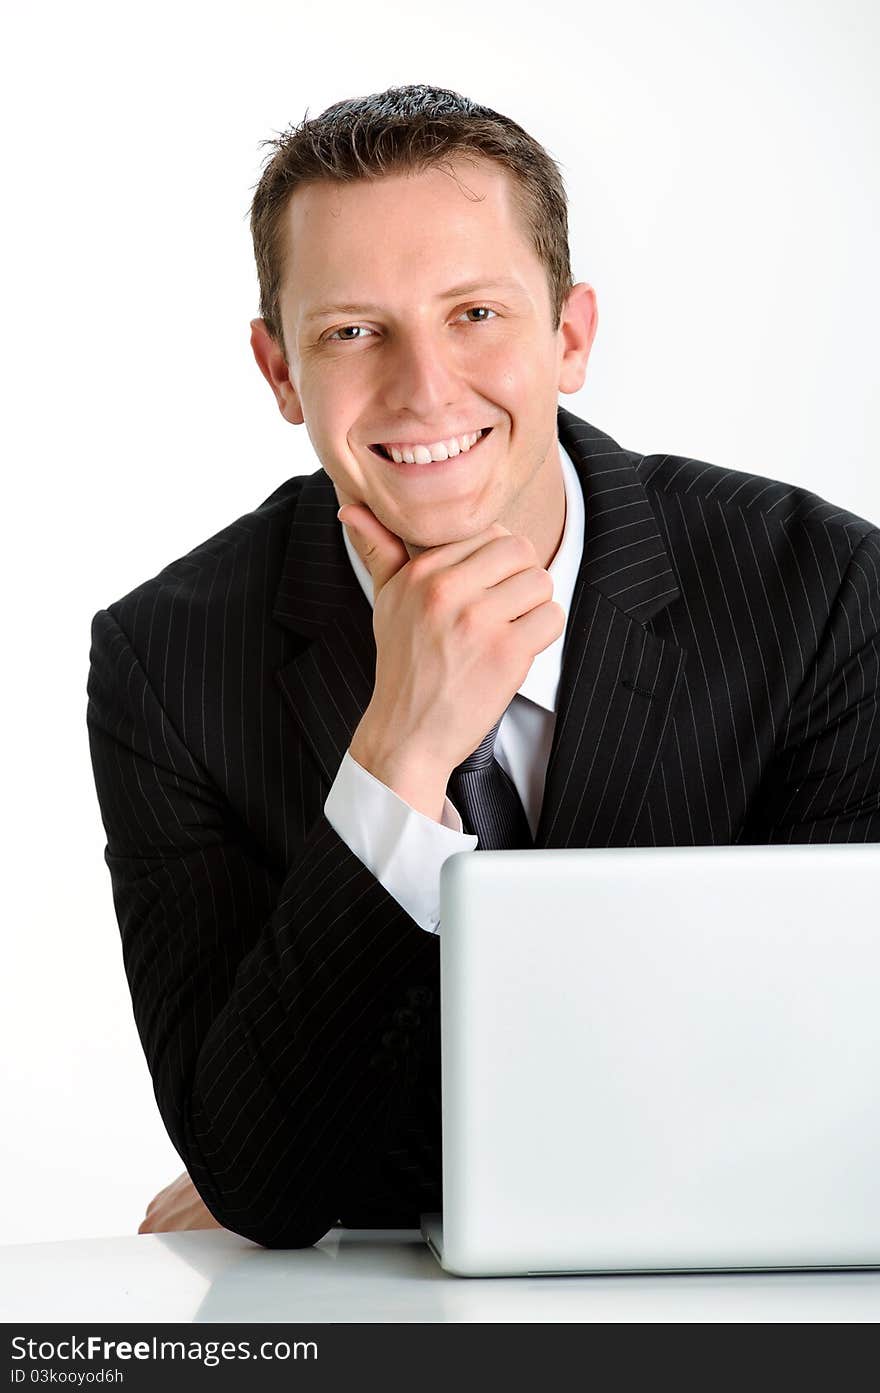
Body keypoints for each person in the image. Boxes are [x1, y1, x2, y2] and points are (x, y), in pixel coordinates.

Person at [86, 84, 880, 1247]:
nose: (424, 389)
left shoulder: (825, 596)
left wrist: (374, 1166)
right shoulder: (165, 659)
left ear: (569, 335)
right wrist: (398, 754)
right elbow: (263, 1183)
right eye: (353, 331)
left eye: (474, 314)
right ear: (278, 372)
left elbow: (838, 1104)